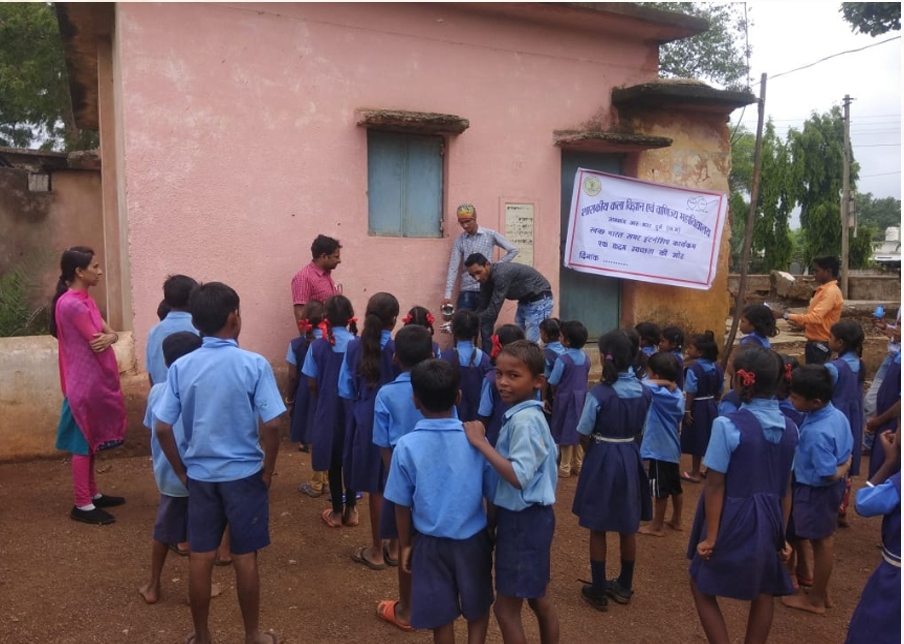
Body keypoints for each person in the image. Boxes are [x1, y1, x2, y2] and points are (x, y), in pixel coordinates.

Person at [154, 281, 285, 644]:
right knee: (245, 557)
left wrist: (182, 471)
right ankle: (253, 636)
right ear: (234, 318)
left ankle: (202, 636)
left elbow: (163, 427)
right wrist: (268, 470)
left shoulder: (181, 367)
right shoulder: (253, 364)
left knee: (201, 557)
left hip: (200, 476)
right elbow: (272, 424)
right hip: (245, 475)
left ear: (197, 322)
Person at [687, 347, 797, 644]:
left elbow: (715, 484)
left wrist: (711, 536)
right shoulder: (791, 429)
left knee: (700, 581)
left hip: (731, 515)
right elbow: (785, 487)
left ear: (739, 381)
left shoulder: (728, 425)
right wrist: (782, 535)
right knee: (764, 588)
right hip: (771, 515)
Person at [385, 359, 496, 643]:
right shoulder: (477, 441)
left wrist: (406, 543)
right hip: (472, 541)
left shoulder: (405, 447)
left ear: (415, 401)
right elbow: (492, 495)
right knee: (478, 608)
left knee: (441, 616)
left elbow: (401, 505)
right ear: (458, 397)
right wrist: (491, 532)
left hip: (429, 543)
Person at [464, 340, 560, 643]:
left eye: (514, 376)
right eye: (499, 374)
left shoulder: (525, 421)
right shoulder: (521, 415)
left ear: (538, 382)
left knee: (505, 609)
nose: (503, 382)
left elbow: (518, 476)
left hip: (523, 523)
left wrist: (481, 443)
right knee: (538, 598)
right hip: (526, 519)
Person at [572, 330, 652, 610]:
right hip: (630, 453)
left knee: (598, 525)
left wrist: (595, 450)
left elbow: (583, 431)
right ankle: (624, 586)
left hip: (602, 453)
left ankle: (598, 588)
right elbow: (643, 429)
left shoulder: (600, 393)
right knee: (628, 526)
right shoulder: (645, 391)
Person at [50, 246, 127, 525]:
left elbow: (110, 335)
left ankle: (92, 494)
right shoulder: (72, 303)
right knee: (82, 444)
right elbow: (98, 339)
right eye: (94, 267)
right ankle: (82, 503)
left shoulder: (84, 299)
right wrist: (110, 337)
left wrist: (112, 337)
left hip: (92, 381)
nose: (100, 271)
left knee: (90, 441)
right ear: (79, 272)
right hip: (82, 384)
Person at [373, 325, 438, 632]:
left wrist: (394, 477)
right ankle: (436, 604)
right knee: (434, 539)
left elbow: (383, 443)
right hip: (436, 477)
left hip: (402, 480)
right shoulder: (438, 387)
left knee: (405, 541)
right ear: (432, 355)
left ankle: (407, 609)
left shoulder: (386, 394)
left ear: (395, 357)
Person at [782, 365, 852, 615]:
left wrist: (843, 467)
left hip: (816, 490)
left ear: (815, 401)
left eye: (795, 397)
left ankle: (815, 600)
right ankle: (821, 592)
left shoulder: (815, 432)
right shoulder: (836, 416)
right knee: (822, 540)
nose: (791, 400)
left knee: (821, 543)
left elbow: (827, 472)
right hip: (828, 491)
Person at [139, 331, 203, 604]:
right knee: (199, 535)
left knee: (164, 533)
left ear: (166, 363)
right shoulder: (201, 394)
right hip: (198, 475)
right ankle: (199, 589)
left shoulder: (156, 391)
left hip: (169, 475)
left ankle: (153, 585)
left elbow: (150, 428)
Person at [340, 292, 399, 571]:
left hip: (366, 419)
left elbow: (345, 388)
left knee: (375, 487)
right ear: (395, 320)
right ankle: (396, 547)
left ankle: (376, 549)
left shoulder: (353, 348)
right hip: (398, 421)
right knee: (398, 482)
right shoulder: (399, 350)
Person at [302, 294, 359, 529]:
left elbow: (312, 383)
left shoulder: (317, 346)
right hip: (354, 409)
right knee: (352, 457)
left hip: (329, 408)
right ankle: (352, 510)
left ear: (326, 318)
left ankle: (336, 512)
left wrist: (323, 400)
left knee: (334, 460)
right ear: (349, 318)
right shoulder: (359, 344)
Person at [844, 429, 900, 644]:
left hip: (894, 579)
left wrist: (888, 463)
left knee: (874, 630)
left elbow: (864, 504)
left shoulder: (899, 482)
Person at [465, 252, 553, 353]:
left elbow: (492, 311)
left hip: (540, 300)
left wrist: (469, 321)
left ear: (487, 265)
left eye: (478, 272)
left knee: (531, 346)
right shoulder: (485, 281)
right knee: (519, 343)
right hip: (524, 302)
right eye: (472, 275)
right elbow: (483, 307)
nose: (477, 278)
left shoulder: (501, 275)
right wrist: (465, 320)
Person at [638, 352, 685, 537]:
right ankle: (677, 519)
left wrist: (663, 383)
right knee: (675, 486)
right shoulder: (678, 394)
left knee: (660, 490)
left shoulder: (659, 393)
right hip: (671, 447)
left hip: (659, 449)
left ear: (656, 375)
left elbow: (642, 384)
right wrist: (668, 383)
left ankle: (656, 526)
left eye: (649, 372)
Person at [442, 203, 518, 314]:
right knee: (463, 324)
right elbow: (453, 268)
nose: (465, 226)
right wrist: (447, 294)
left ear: (475, 219)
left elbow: (513, 250)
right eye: (462, 223)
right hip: (467, 289)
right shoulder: (460, 241)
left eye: (468, 221)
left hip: (486, 288)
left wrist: (495, 267)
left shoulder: (490, 235)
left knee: (485, 325)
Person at [825, 320, 866, 525]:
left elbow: (824, 392)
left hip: (835, 417)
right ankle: (842, 507)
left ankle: (829, 507)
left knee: (831, 457)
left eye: (830, 337)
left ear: (839, 343)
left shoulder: (834, 368)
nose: (828, 340)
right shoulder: (859, 364)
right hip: (854, 417)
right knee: (846, 460)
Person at [773, 255, 843, 365]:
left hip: (821, 344)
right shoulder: (823, 290)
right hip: (816, 343)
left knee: (816, 378)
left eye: (817, 271)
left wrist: (785, 315)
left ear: (828, 271)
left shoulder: (830, 292)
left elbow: (815, 318)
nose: (814, 274)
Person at [548, 320, 590, 478]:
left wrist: (553, 394)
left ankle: (565, 467)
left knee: (565, 430)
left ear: (567, 340)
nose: (559, 338)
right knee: (579, 429)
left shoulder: (563, 359)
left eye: (560, 336)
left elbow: (553, 381)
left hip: (564, 398)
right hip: (581, 398)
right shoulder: (586, 358)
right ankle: (578, 464)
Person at [681, 332, 724, 484]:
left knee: (696, 438)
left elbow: (691, 390)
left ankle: (694, 472)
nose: (688, 349)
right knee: (711, 437)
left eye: (691, 347)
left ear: (699, 352)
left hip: (697, 406)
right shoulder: (717, 367)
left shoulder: (694, 368)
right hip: (712, 405)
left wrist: (687, 410)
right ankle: (709, 470)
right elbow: (720, 390)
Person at [146, 274, 199, 386]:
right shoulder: (199, 328)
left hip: (161, 394)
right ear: (192, 300)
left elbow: (151, 373)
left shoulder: (154, 331)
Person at [477, 324, 526, 447]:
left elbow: (484, 414)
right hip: (523, 436)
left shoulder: (491, 379)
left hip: (496, 438)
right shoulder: (529, 375)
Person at [287, 300, 325, 455]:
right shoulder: (329, 343)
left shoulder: (295, 344)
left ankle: (305, 442)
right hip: (323, 389)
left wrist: (290, 399)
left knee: (306, 416)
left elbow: (292, 376)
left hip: (303, 390)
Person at [440, 309, 491, 422]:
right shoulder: (485, 360)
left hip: (450, 421)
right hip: (478, 423)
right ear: (476, 331)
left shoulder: (443, 358)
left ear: (453, 330)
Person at [864, 307, 900, 452]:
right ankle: (871, 442)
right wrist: (886, 327)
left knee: (893, 404)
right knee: (872, 401)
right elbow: (897, 334)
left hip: (898, 362)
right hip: (893, 358)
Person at [291, 234, 342, 324]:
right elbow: (300, 313)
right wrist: (309, 337)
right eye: (336, 257)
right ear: (324, 256)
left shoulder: (326, 275)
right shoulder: (304, 277)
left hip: (332, 334)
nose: (339, 261)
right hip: (318, 335)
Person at [658, 326, 685, 390]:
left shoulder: (670, 360)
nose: (659, 344)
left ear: (673, 344)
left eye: (662, 341)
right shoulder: (678, 356)